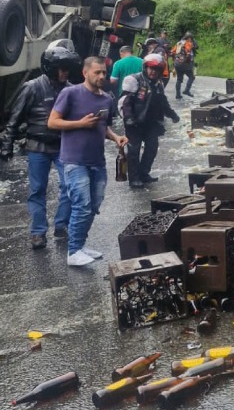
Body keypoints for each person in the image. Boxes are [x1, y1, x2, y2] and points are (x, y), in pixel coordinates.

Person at [47, 57, 128, 267]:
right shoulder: (70, 93)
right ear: (85, 73)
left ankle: (80, 245)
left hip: (97, 161)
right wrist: (79, 123)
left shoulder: (107, 99)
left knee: (93, 205)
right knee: (81, 204)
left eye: (104, 72)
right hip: (74, 160)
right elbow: (53, 122)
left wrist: (116, 137)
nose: (102, 76)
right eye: (97, 72)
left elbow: (104, 127)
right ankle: (73, 251)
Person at [0, 46, 81, 249]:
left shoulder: (70, 89)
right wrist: (6, 145)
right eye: (62, 69)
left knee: (71, 187)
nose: (65, 73)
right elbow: (14, 119)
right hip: (37, 147)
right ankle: (38, 232)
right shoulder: (32, 87)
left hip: (63, 146)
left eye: (67, 69)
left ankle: (61, 224)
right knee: (37, 190)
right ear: (51, 68)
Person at [119, 54, 180, 188]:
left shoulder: (159, 84)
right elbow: (125, 102)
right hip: (134, 122)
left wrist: (172, 114)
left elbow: (163, 102)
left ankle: (144, 173)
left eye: (156, 69)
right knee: (134, 150)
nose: (153, 71)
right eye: (150, 68)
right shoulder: (133, 80)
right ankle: (134, 178)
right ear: (145, 67)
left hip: (151, 122)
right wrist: (128, 118)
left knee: (152, 148)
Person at [171, 32, 196, 99]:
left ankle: (178, 95)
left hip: (177, 64)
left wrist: (175, 61)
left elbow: (172, 52)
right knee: (191, 77)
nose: (191, 40)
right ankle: (186, 90)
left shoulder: (178, 43)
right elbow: (188, 54)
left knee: (179, 79)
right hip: (185, 64)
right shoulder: (188, 43)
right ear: (189, 38)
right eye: (191, 39)